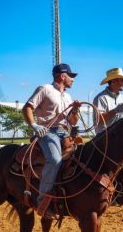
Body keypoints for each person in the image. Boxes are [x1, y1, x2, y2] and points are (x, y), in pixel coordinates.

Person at [22, 63, 81, 219]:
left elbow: (72, 121)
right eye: (71, 76)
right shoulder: (45, 89)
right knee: (54, 160)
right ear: (62, 76)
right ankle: (42, 202)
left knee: (80, 155)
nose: (73, 80)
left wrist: (75, 110)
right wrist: (34, 125)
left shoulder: (68, 96)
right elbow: (27, 107)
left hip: (64, 132)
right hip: (47, 131)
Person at [93, 67, 123, 134]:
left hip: (120, 138)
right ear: (113, 81)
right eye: (122, 80)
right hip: (105, 140)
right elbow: (98, 119)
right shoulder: (101, 98)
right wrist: (115, 111)